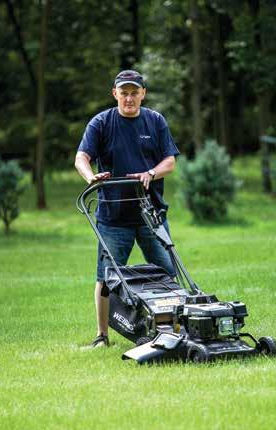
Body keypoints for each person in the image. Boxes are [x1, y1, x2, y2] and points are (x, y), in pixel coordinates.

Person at [75, 70, 179, 348]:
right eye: (124, 92)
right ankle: (102, 336)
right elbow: (82, 157)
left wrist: (151, 173)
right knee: (107, 278)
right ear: (115, 94)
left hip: (151, 215)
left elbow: (169, 162)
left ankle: (172, 331)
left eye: (135, 92)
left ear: (143, 94)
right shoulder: (101, 122)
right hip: (113, 216)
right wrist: (90, 177)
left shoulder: (155, 121)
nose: (129, 98)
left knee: (168, 273)